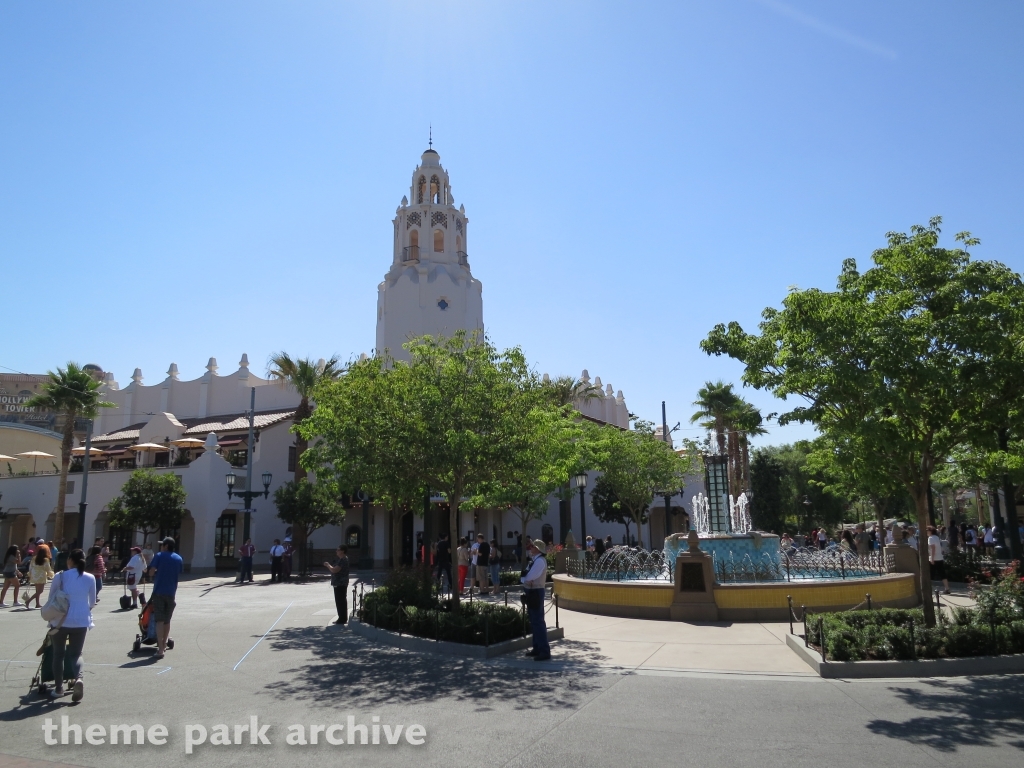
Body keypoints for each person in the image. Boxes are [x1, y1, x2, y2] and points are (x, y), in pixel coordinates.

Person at [46, 548, 95, 702]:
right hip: (81, 620)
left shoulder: (60, 576)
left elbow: (51, 598)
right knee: (76, 654)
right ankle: (78, 678)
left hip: (60, 620)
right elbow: (92, 602)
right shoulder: (90, 578)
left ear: (70, 560)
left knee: (58, 654)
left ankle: (59, 688)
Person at [146, 537, 183, 660]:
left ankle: (160, 648)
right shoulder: (178, 558)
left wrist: (156, 571)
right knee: (167, 620)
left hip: (159, 592)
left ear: (166, 546)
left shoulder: (159, 555)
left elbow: (151, 572)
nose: (161, 547)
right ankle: (165, 642)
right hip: (171, 592)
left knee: (159, 620)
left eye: (162, 545)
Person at [520, 540, 550, 661]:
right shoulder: (534, 560)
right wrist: (525, 578)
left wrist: (525, 579)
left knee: (537, 621)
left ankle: (544, 650)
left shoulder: (539, 561)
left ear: (538, 549)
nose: (531, 547)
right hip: (532, 591)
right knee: (534, 621)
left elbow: (529, 576)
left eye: (533, 546)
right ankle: (537, 647)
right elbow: (524, 576)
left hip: (536, 592)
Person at [323, 545, 350, 625]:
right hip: (339, 583)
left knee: (340, 601)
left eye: (338, 550)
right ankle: (342, 617)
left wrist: (328, 565)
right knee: (340, 600)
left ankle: (342, 618)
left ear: (342, 551)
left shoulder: (343, 560)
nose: (336, 551)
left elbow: (335, 570)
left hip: (340, 583)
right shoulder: (341, 559)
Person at [23, 544, 53, 609]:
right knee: (40, 591)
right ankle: (28, 601)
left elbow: (30, 567)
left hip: (34, 575)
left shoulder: (34, 558)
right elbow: (47, 568)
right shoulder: (45, 560)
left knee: (37, 591)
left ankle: (37, 604)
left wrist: (30, 574)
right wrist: (50, 574)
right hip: (41, 576)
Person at [927, 525, 950, 594]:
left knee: (930, 574)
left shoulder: (930, 538)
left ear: (930, 531)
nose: (926, 532)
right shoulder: (936, 537)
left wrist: (932, 558)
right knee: (942, 574)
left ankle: (929, 589)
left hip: (934, 558)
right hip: (940, 557)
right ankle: (947, 588)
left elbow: (933, 548)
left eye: (927, 530)